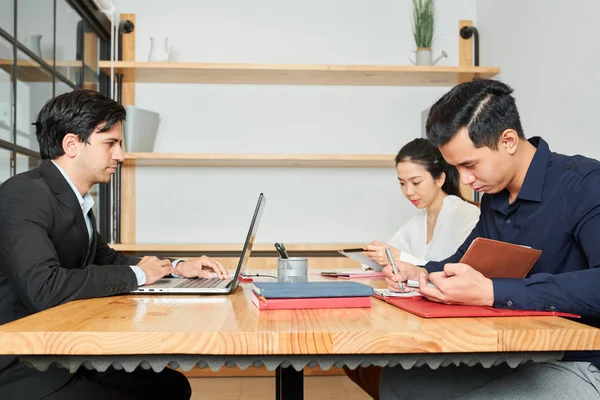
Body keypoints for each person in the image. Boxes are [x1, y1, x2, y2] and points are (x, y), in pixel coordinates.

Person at [0, 90, 229, 400]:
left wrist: (175, 267)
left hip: (63, 351)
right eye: (110, 143)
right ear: (72, 145)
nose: (120, 155)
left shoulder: (74, 199)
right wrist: (139, 275)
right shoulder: (23, 195)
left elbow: (104, 257)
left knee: (172, 387)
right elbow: (46, 287)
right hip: (24, 364)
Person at [380, 79, 600, 399]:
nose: (465, 180)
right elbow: (464, 261)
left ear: (508, 140)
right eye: (457, 167)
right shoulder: (495, 196)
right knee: (400, 380)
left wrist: (492, 291)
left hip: (586, 359)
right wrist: (421, 272)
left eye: (469, 165)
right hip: (529, 350)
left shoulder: (585, 185)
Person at [345, 138, 480, 399]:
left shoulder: (464, 214)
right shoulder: (419, 219)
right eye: (402, 183)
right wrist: (388, 262)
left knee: (369, 366)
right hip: (417, 315)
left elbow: (452, 269)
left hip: (449, 323)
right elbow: (396, 261)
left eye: (416, 183)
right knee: (356, 363)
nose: (408, 191)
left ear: (440, 178)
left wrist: (398, 257)